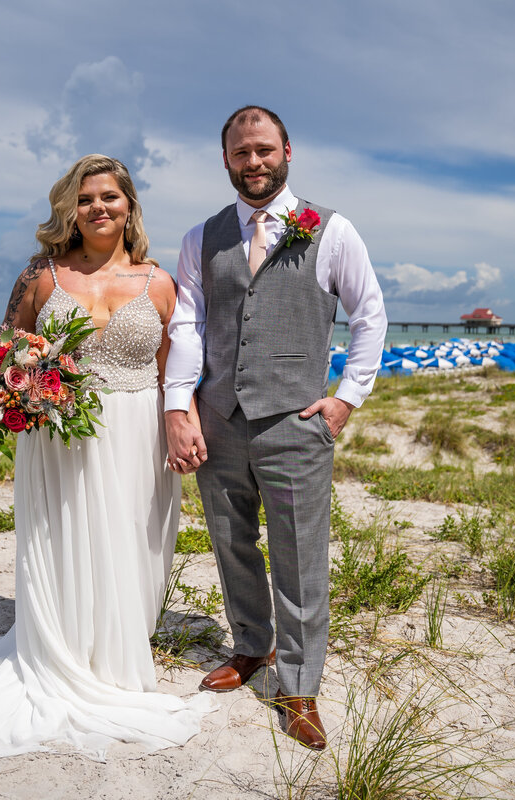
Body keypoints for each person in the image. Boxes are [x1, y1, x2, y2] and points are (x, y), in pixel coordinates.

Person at [0, 155, 213, 762]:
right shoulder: (40, 276)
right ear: (68, 210)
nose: (99, 207)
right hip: (59, 435)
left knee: (132, 541)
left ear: (130, 205)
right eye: (85, 198)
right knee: (63, 538)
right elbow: (3, 349)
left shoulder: (159, 282)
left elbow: (171, 374)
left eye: (110, 196)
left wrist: (183, 425)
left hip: (135, 430)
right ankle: (64, 652)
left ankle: (117, 654)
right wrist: (0, 390)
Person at [164, 106, 386, 750]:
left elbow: (369, 315)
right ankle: (252, 649)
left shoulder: (333, 230)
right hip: (220, 420)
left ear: (288, 150)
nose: (253, 162)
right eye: (241, 153)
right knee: (232, 543)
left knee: (298, 556)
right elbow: (188, 327)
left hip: (296, 423)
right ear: (226, 160)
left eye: (264, 149)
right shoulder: (199, 239)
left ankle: (300, 685)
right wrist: (180, 407)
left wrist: (346, 399)